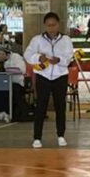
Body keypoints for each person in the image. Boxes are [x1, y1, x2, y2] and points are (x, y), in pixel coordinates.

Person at [24, 12, 74, 149]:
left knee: (60, 105)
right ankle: (37, 137)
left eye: (54, 25)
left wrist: (60, 60)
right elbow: (28, 54)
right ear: (45, 26)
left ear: (58, 25)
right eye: (49, 25)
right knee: (41, 105)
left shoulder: (66, 40)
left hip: (60, 75)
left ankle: (61, 135)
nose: (51, 28)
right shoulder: (37, 40)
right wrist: (38, 58)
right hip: (43, 75)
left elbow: (69, 56)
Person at [0, 44, 26, 123]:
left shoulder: (16, 58)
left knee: (11, 90)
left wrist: (6, 70)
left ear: (8, 54)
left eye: (2, 54)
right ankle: (0, 111)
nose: (0, 56)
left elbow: (22, 70)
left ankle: (8, 112)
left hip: (15, 82)